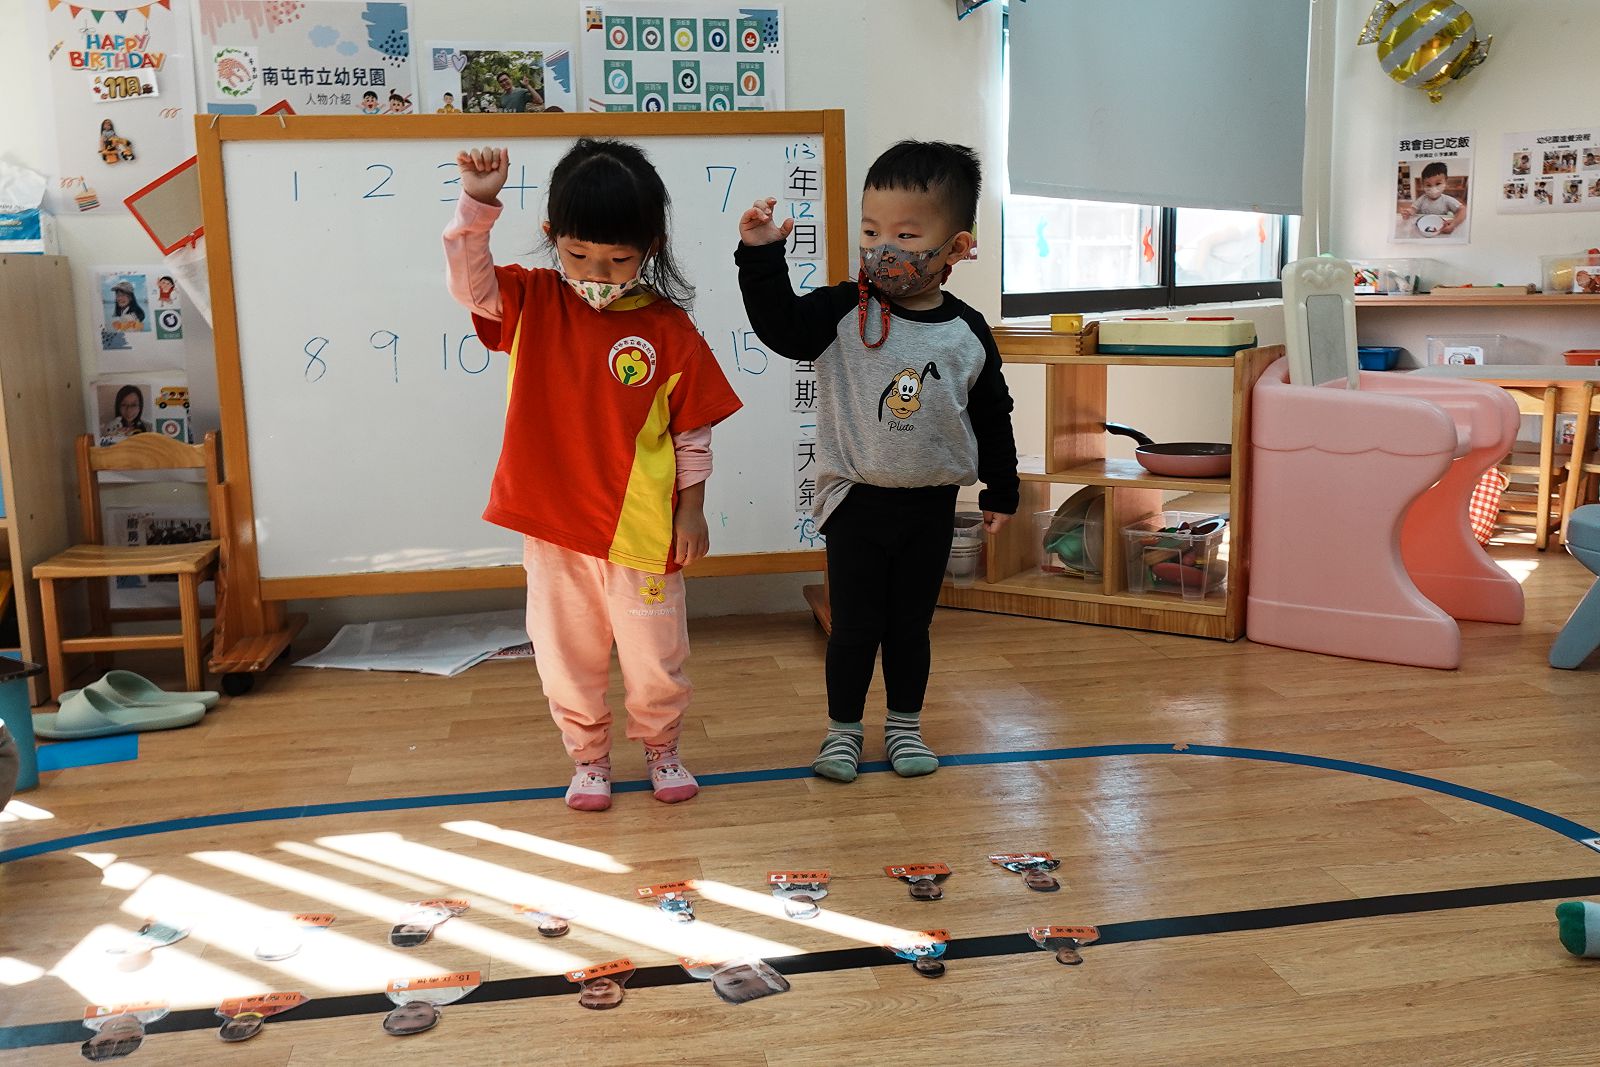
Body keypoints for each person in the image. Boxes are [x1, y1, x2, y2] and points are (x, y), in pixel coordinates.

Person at [444, 140, 742, 812]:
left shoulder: (669, 328)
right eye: (578, 255)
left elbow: (692, 433)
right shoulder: (531, 300)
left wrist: (691, 509)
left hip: (643, 529)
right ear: (553, 236)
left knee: (656, 655)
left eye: (618, 259)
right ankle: (588, 757)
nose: (596, 274)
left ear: (650, 248)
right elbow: (469, 286)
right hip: (554, 529)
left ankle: (662, 746)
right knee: (565, 657)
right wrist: (478, 204)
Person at [735, 140, 1019, 783]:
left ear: (956, 247)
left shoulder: (967, 331)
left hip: (931, 505)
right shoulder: (842, 310)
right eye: (871, 231)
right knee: (855, 628)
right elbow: (781, 328)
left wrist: (1002, 488)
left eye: (906, 235)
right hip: (855, 502)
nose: (883, 247)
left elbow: (992, 411)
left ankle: (904, 727)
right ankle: (842, 733)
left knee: (911, 627)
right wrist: (761, 255)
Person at [1399, 161, 1466, 235]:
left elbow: (1462, 210)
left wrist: (1454, 224)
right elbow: (1413, 209)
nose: (1433, 188)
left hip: (1441, 229)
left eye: (1438, 183)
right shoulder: (1422, 199)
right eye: (1428, 185)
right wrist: (1408, 212)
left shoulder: (1447, 200)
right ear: (1423, 185)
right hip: (1423, 228)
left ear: (1445, 182)